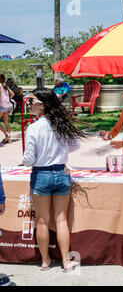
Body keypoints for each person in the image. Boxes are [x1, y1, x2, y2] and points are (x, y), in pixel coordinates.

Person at [23, 88, 85, 272]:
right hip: (61, 173)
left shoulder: (33, 128)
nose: (28, 103)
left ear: (42, 105)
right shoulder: (61, 124)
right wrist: (60, 153)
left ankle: (45, 260)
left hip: (41, 175)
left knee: (42, 220)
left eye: (31, 100)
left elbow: (28, 160)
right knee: (61, 219)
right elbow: (76, 145)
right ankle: (66, 261)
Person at [0, 74, 14, 143]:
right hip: (8, 106)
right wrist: (7, 99)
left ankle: (6, 134)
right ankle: (9, 139)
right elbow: (12, 94)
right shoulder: (5, 85)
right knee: (6, 122)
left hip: (1, 106)